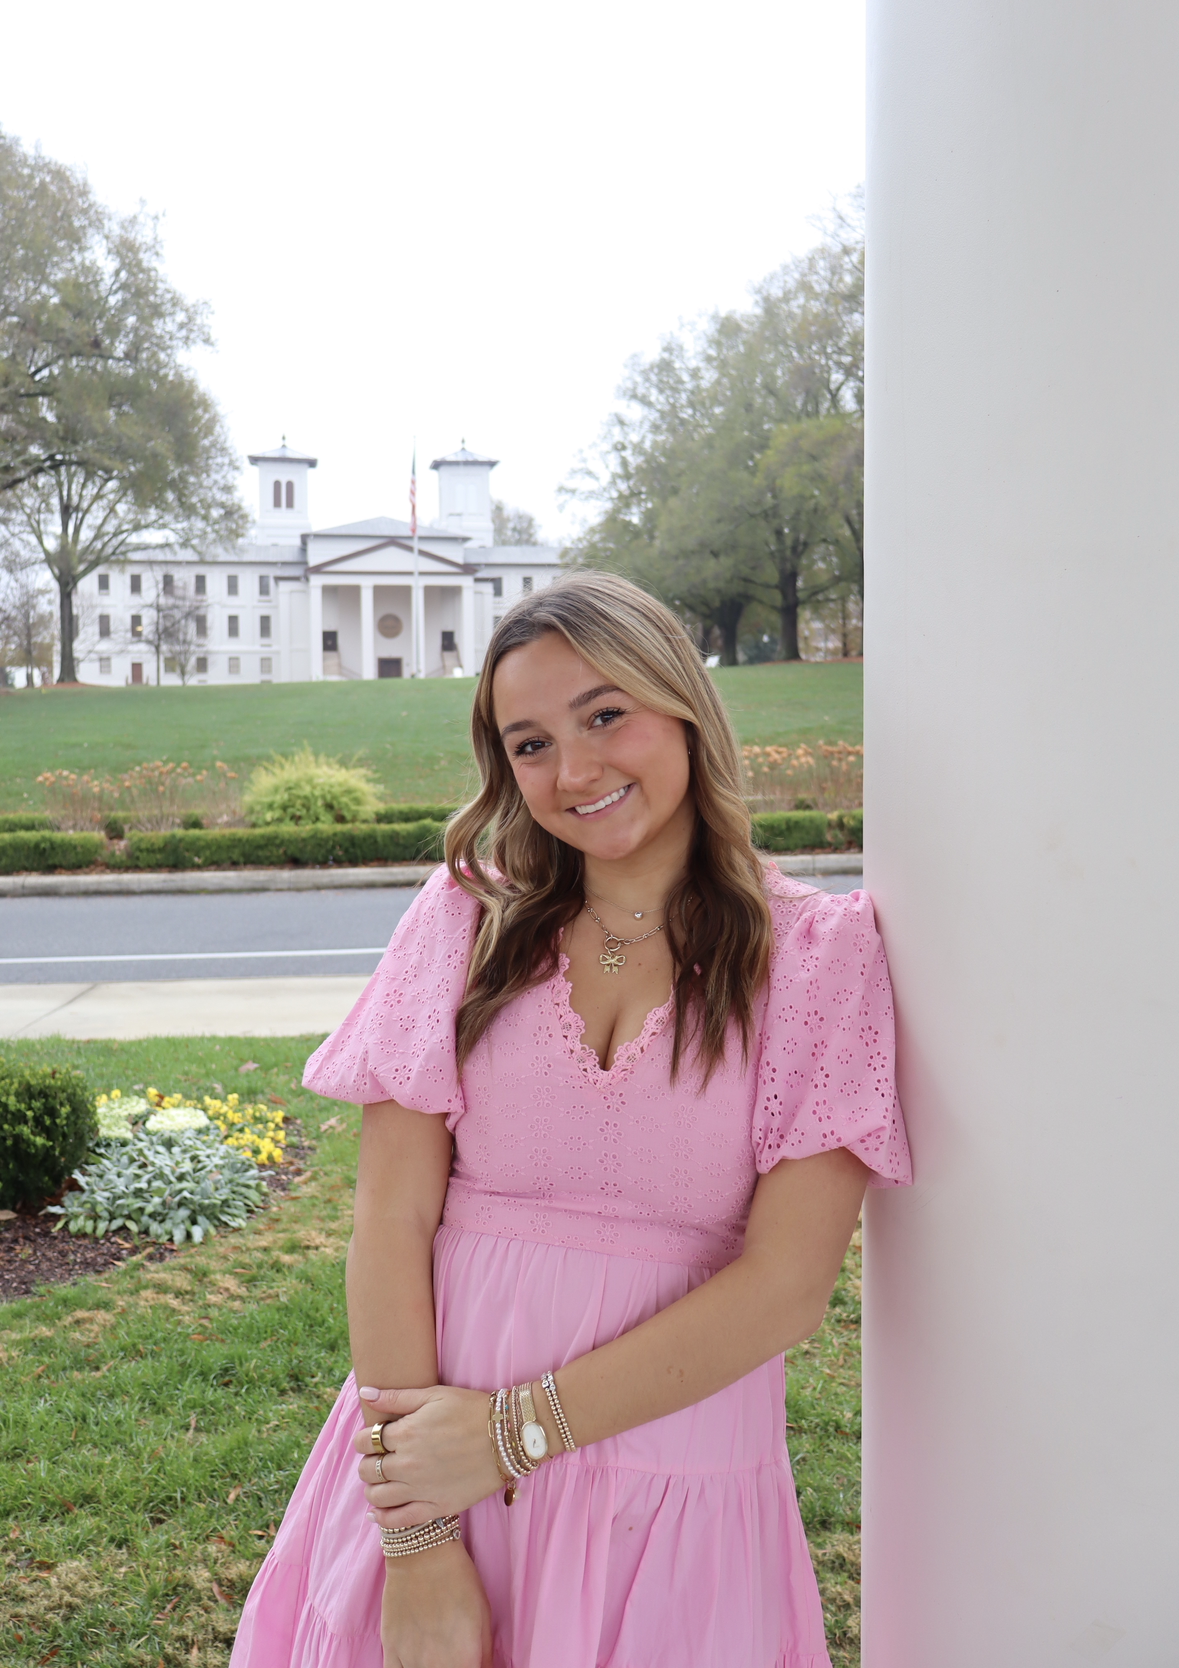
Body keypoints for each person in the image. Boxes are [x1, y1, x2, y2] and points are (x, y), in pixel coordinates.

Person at [230, 571, 910, 1668]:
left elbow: (787, 1286)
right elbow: (391, 1222)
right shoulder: (467, 918)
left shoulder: (818, 957)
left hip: (672, 1504)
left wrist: (508, 1436)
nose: (574, 771)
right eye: (531, 744)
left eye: (605, 716)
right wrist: (418, 1539)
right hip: (436, 1485)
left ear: (683, 706)